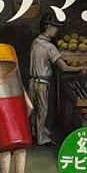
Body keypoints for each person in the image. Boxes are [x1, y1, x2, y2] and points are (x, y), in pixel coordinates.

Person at [29, 15, 76, 144]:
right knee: (43, 110)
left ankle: (35, 131)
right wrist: (80, 68)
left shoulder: (36, 42)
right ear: (48, 27)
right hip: (42, 82)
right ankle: (41, 138)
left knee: (34, 109)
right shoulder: (50, 47)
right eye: (55, 27)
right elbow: (64, 67)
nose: (56, 30)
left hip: (32, 81)